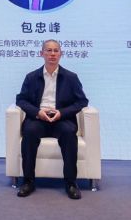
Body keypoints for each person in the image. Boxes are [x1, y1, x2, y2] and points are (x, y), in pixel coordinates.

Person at [15, 39, 89, 199]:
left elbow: (82, 101)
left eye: (56, 50)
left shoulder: (71, 77)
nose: (52, 54)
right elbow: (21, 100)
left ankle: (71, 183)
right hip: (38, 118)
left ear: (61, 54)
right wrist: (37, 112)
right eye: (48, 50)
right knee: (29, 132)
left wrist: (62, 113)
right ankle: (28, 181)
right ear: (41, 53)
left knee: (69, 133)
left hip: (61, 119)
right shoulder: (31, 77)